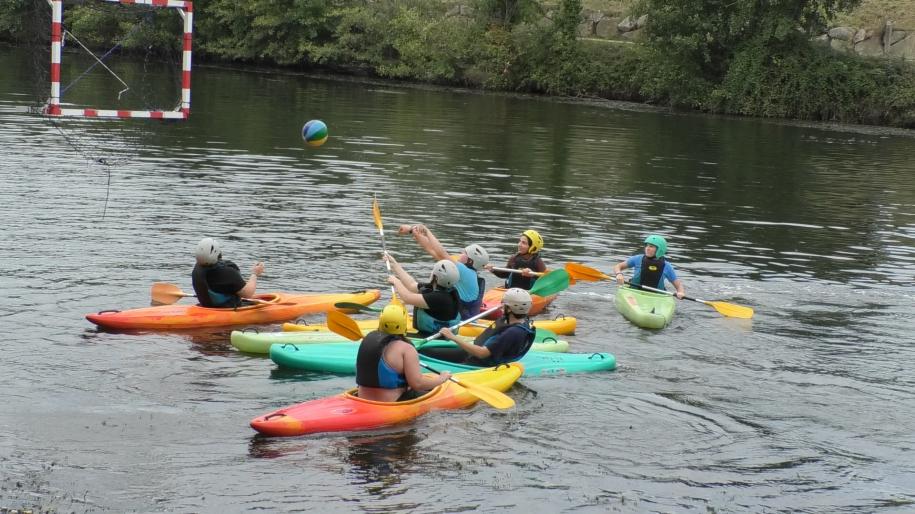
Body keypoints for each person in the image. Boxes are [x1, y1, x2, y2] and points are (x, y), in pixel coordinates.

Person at [356, 304, 451, 402]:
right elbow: (417, 384)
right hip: (392, 402)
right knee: (439, 392)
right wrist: (441, 379)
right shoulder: (406, 348)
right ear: (404, 323)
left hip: (362, 399)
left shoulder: (367, 341)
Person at [397, 223, 489, 319]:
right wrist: (414, 232)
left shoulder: (464, 271)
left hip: (462, 322)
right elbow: (433, 251)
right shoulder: (468, 272)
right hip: (462, 316)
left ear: (470, 261)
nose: (460, 253)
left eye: (464, 253)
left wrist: (426, 231)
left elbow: (442, 253)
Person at [433, 288, 536, 366]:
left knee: (428, 356)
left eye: (503, 305)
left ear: (509, 309)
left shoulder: (513, 332)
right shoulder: (512, 320)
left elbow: (482, 353)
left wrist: (453, 337)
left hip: (479, 362)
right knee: (430, 351)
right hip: (473, 353)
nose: (501, 306)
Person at [385, 253, 462, 337]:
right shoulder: (441, 289)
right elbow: (411, 285)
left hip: (434, 337)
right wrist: (394, 265)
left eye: (433, 271)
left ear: (436, 278)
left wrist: (396, 282)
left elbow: (407, 298)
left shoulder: (440, 298)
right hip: (432, 334)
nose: (431, 272)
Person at [191, 237, 264, 308]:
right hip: (225, 309)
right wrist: (255, 274)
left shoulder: (197, 269)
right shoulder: (228, 273)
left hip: (206, 306)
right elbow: (248, 293)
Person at [611, 234, 685, 298]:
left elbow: (678, 285)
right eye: (646, 246)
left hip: (657, 297)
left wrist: (681, 292)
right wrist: (619, 274)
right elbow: (618, 266)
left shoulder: (667, 266)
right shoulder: (637, 259)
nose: (647, 248)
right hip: (634, 292)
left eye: (651, 246)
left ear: (659, 250)